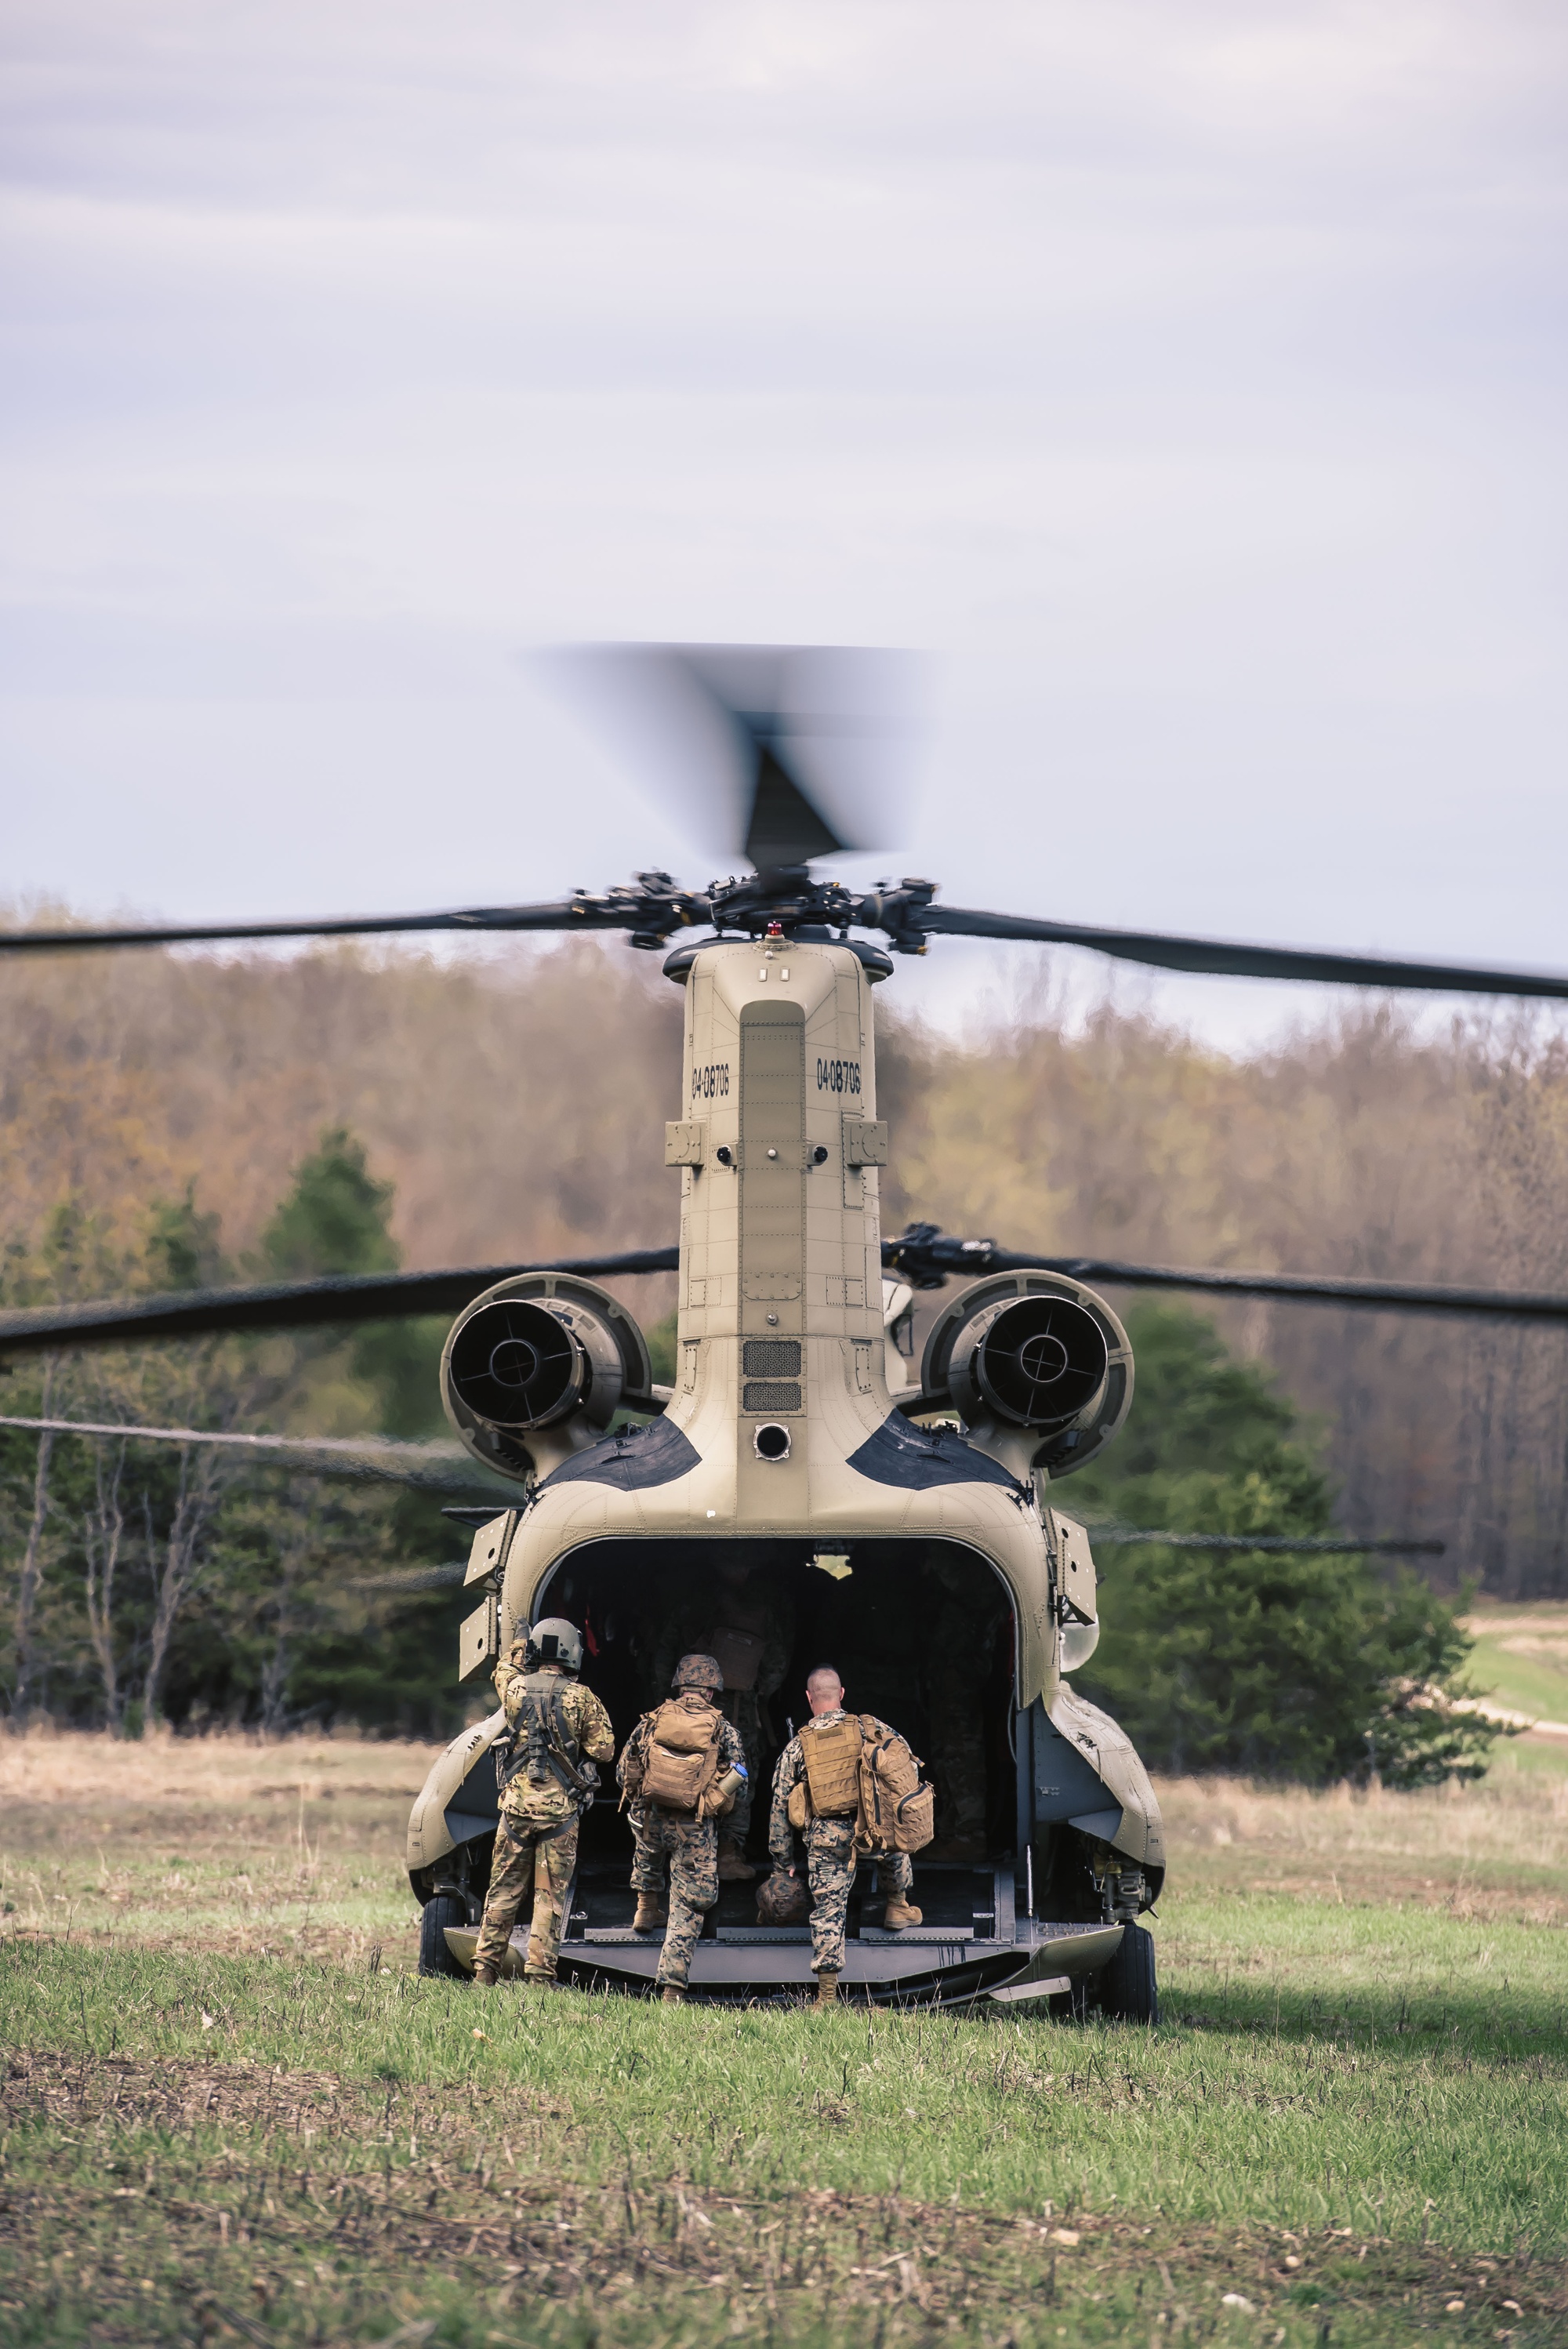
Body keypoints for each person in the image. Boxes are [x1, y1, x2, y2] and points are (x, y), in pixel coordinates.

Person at [472, 1616, 615, 1989]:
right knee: (548, 1898)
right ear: (573, 1652)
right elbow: (604, 1750)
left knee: (502, 1891)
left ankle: (484, 1972)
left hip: (515, 1811)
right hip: (559, 1816)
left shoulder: (515, 1688)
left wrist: (520, 1643)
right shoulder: (582, 1698)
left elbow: (502, 1669)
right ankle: (539, 1977)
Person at [767, 1665, 922, 2008]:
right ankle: (897, 1904)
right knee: (896, 1846)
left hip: (827, 1838)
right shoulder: (871, 1728)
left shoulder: (798, 1745)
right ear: (842, 1694)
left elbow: (780, 1805)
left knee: (828, 1910)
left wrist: (783, 1862)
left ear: (809, 1699)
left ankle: (826, 1997)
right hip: (873, 1829)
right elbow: (906, 1765)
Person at [651, 1562, 794, 1882]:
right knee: (738, 1774)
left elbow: (663, 1653)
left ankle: (678, 1842)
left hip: (686, 1706)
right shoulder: (761, 1609)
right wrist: (759, 1694)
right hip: (741, 1708)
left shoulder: (693, 1605)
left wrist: (667, 1699)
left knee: (680, 1764)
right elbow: (776, 1663)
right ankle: (729, 1850)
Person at [618, 1652, 748, 2004]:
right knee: (688, 1903)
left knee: (647, 1849)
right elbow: (741, 1784)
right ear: (711, 1691)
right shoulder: (724, 1730)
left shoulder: (651, 1722)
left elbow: (622, 1773)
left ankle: (645, 1906)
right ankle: (672, 1987)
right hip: (696, 1827)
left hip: (650, 1820)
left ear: (680, 1684)